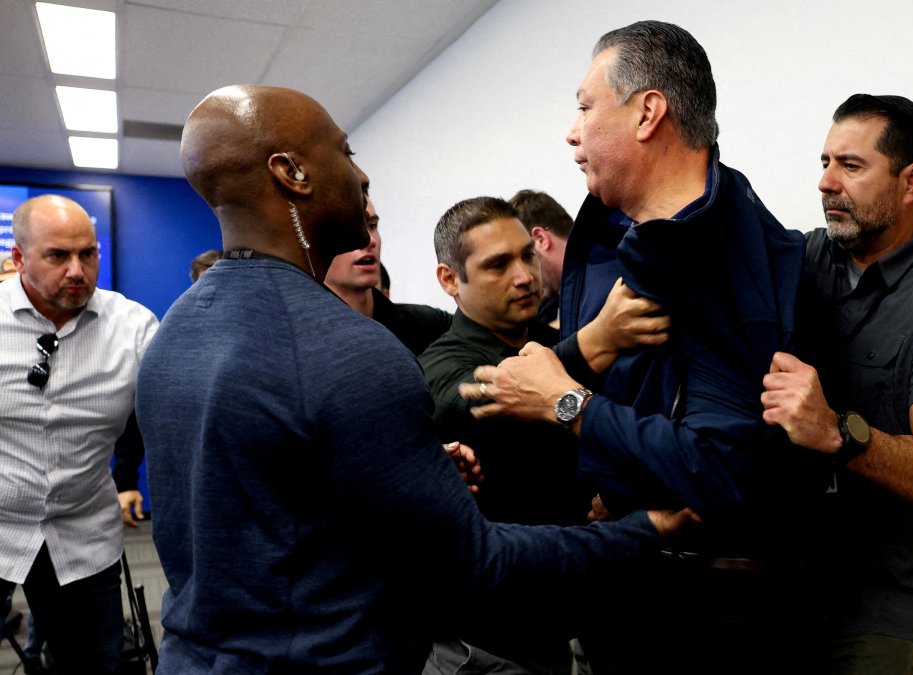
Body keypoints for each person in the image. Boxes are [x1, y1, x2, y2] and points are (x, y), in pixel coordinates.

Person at [136, 84, 694, 674]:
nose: (360, 175)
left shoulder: (174, 334)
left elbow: (262, 517)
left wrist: (393, 477)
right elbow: (475, 563)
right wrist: (646, 530)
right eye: (346, 153)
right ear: (292, 172)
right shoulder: (348, 349)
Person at [467, 21, 809, 674]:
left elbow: (717, 469)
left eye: (585, 106)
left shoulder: (725, 258)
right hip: (633, 592)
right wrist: (614, 481)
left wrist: (565, 403)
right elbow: (658, 394)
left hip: (704, 620)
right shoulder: (631, 236)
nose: (572, 131)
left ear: (648, 112)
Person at [760, 94, 913, 673]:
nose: (826, 182)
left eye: (851, 165)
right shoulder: (808, 259)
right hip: (783, 589)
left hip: (878, 618)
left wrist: (837, 432)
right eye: (824, 163)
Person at [420, 196, 592, 674]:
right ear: (450, 280)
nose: (523, 276)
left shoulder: (555, 337)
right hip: (496, 636)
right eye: (498, 264)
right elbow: (482, 396)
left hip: (581, 603)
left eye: (527, 256)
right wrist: (599, 343)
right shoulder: (440, 363)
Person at [0, 194, 159, 675]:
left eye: (88, 254)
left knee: (91, 668)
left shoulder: (133, 328)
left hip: (82, 534)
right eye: (58, 256)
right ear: (19, 258)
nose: (77, 270)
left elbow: (166, 415)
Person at [325, 193, 451, 356]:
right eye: (350, 227)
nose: (369, 240)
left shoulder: (425, 324)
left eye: (372, 225)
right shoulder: (298, 338)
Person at [509, 189, 572, 327]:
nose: (523, 277)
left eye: (525, 256)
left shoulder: (598, 284)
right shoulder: (555, 300)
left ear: (541, 239)